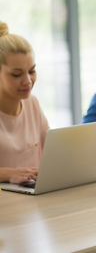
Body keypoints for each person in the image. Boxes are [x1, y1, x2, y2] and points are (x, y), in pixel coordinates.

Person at [0, 21, 50, 184]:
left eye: (32, 71)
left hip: (32, 198)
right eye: (16, 74)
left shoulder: (32, 103)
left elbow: (54, 153)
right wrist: (8, 174)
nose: (28, 81)